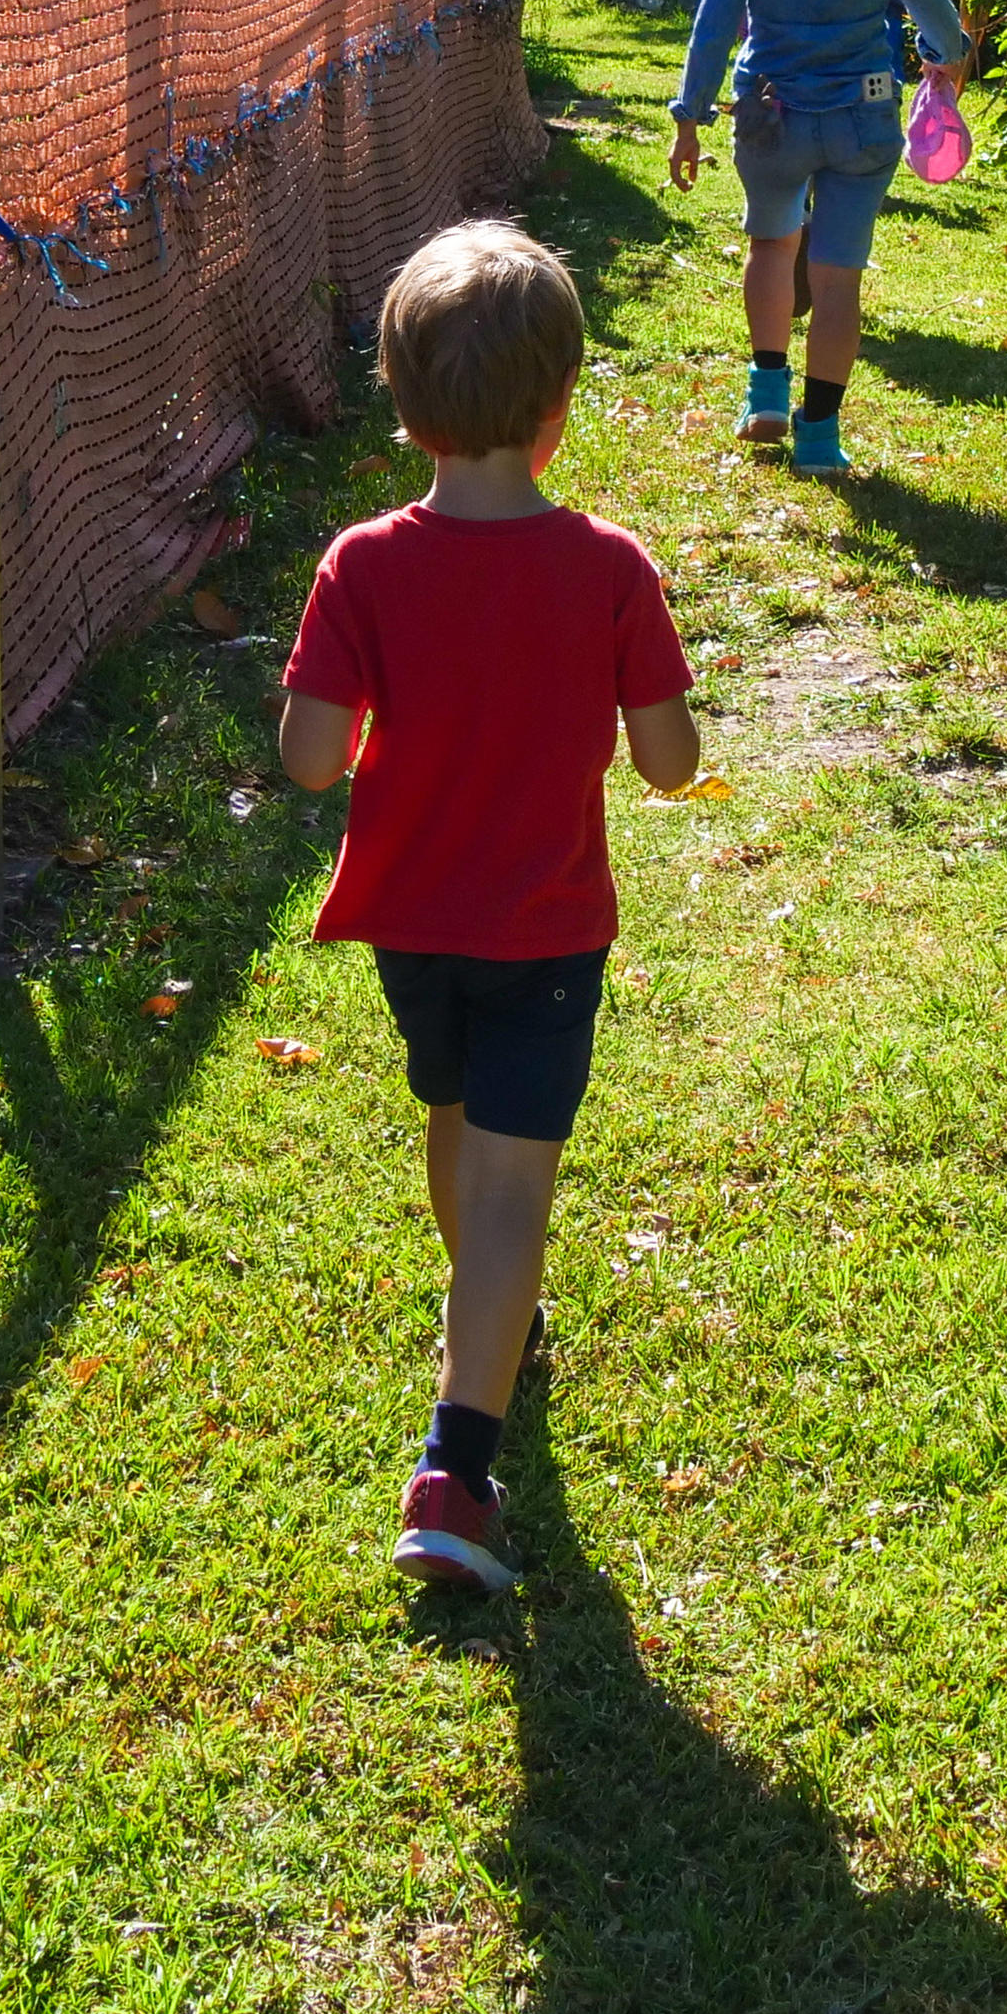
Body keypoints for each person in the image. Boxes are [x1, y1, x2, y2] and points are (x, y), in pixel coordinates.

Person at [277, 220, 700, 1598]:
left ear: (402, 409)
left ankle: (489, 1322)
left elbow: (307, 755)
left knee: (452, 1121)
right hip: (549, 925)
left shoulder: (360, 563)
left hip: (413, 921)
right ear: (559, 407)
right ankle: (458, 1460)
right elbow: (668, 760)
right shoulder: (612, 566)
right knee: (519, 1180)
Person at [668, 0, 975, 477]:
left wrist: (690, 117)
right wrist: (937, 62)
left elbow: (713, 27)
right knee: (840, 279)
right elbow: (943, 29)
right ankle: (820, 436)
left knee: (772, 247)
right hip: (864, 120)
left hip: (771, 113)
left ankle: (766, 389)